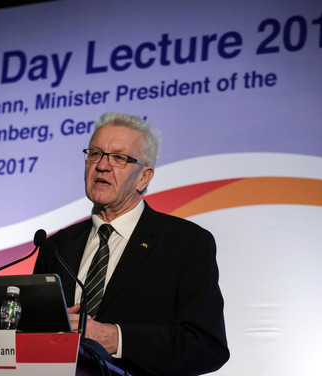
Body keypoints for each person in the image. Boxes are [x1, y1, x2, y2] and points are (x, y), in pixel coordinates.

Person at [33, 112, 229, 375]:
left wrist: (115, 338)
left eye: (119, 158)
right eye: (95, 154)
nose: (102, 166)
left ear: (144, 177)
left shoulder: (185, 243)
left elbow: (205, 346)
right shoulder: (56, 246)